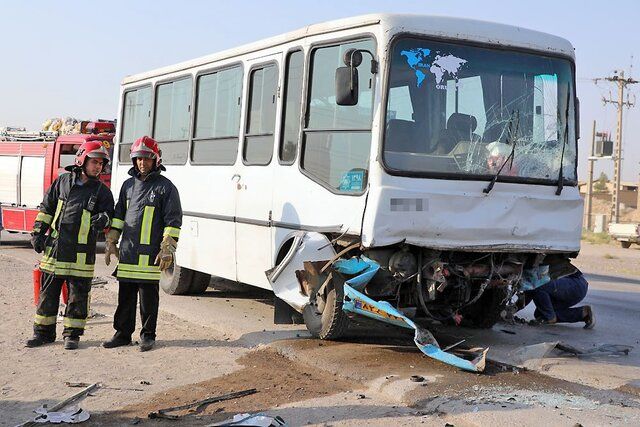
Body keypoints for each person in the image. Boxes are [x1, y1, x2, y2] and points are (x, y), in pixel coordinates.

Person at [28, 141, 114, 350]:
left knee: (78, 297)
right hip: (55, 249)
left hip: (81, 253)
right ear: (82, 160)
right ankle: (43, 333)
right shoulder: (62, 182)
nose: (98, 167)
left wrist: (104, 219)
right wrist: (38, 232)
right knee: (47, 295)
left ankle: (72, 335)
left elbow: (110, 215)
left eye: (101, 164)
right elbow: (47, 208)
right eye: (94, 162)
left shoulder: (102, 192)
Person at [102, 136, 182, 352]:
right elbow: (119, 216)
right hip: (127, 253)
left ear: (156, 160)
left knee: (148, 300)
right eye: (138, 159)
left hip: (150, 255)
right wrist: (111, 240)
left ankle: (148, 336)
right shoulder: (128, 186)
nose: (142, 163)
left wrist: (167, 248)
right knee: (125, 299)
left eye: (147, 158)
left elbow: (173, 221)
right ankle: (122, 334)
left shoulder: (166, 188)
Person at [523, 269, 595, 329]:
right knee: (541, 314)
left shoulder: (533, 264)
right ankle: (583, 313)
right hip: (572, 288)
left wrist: (516, 307)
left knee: (538, 286)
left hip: (575, 284)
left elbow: (531, 290)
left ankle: (550, 317)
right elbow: (528, 293)